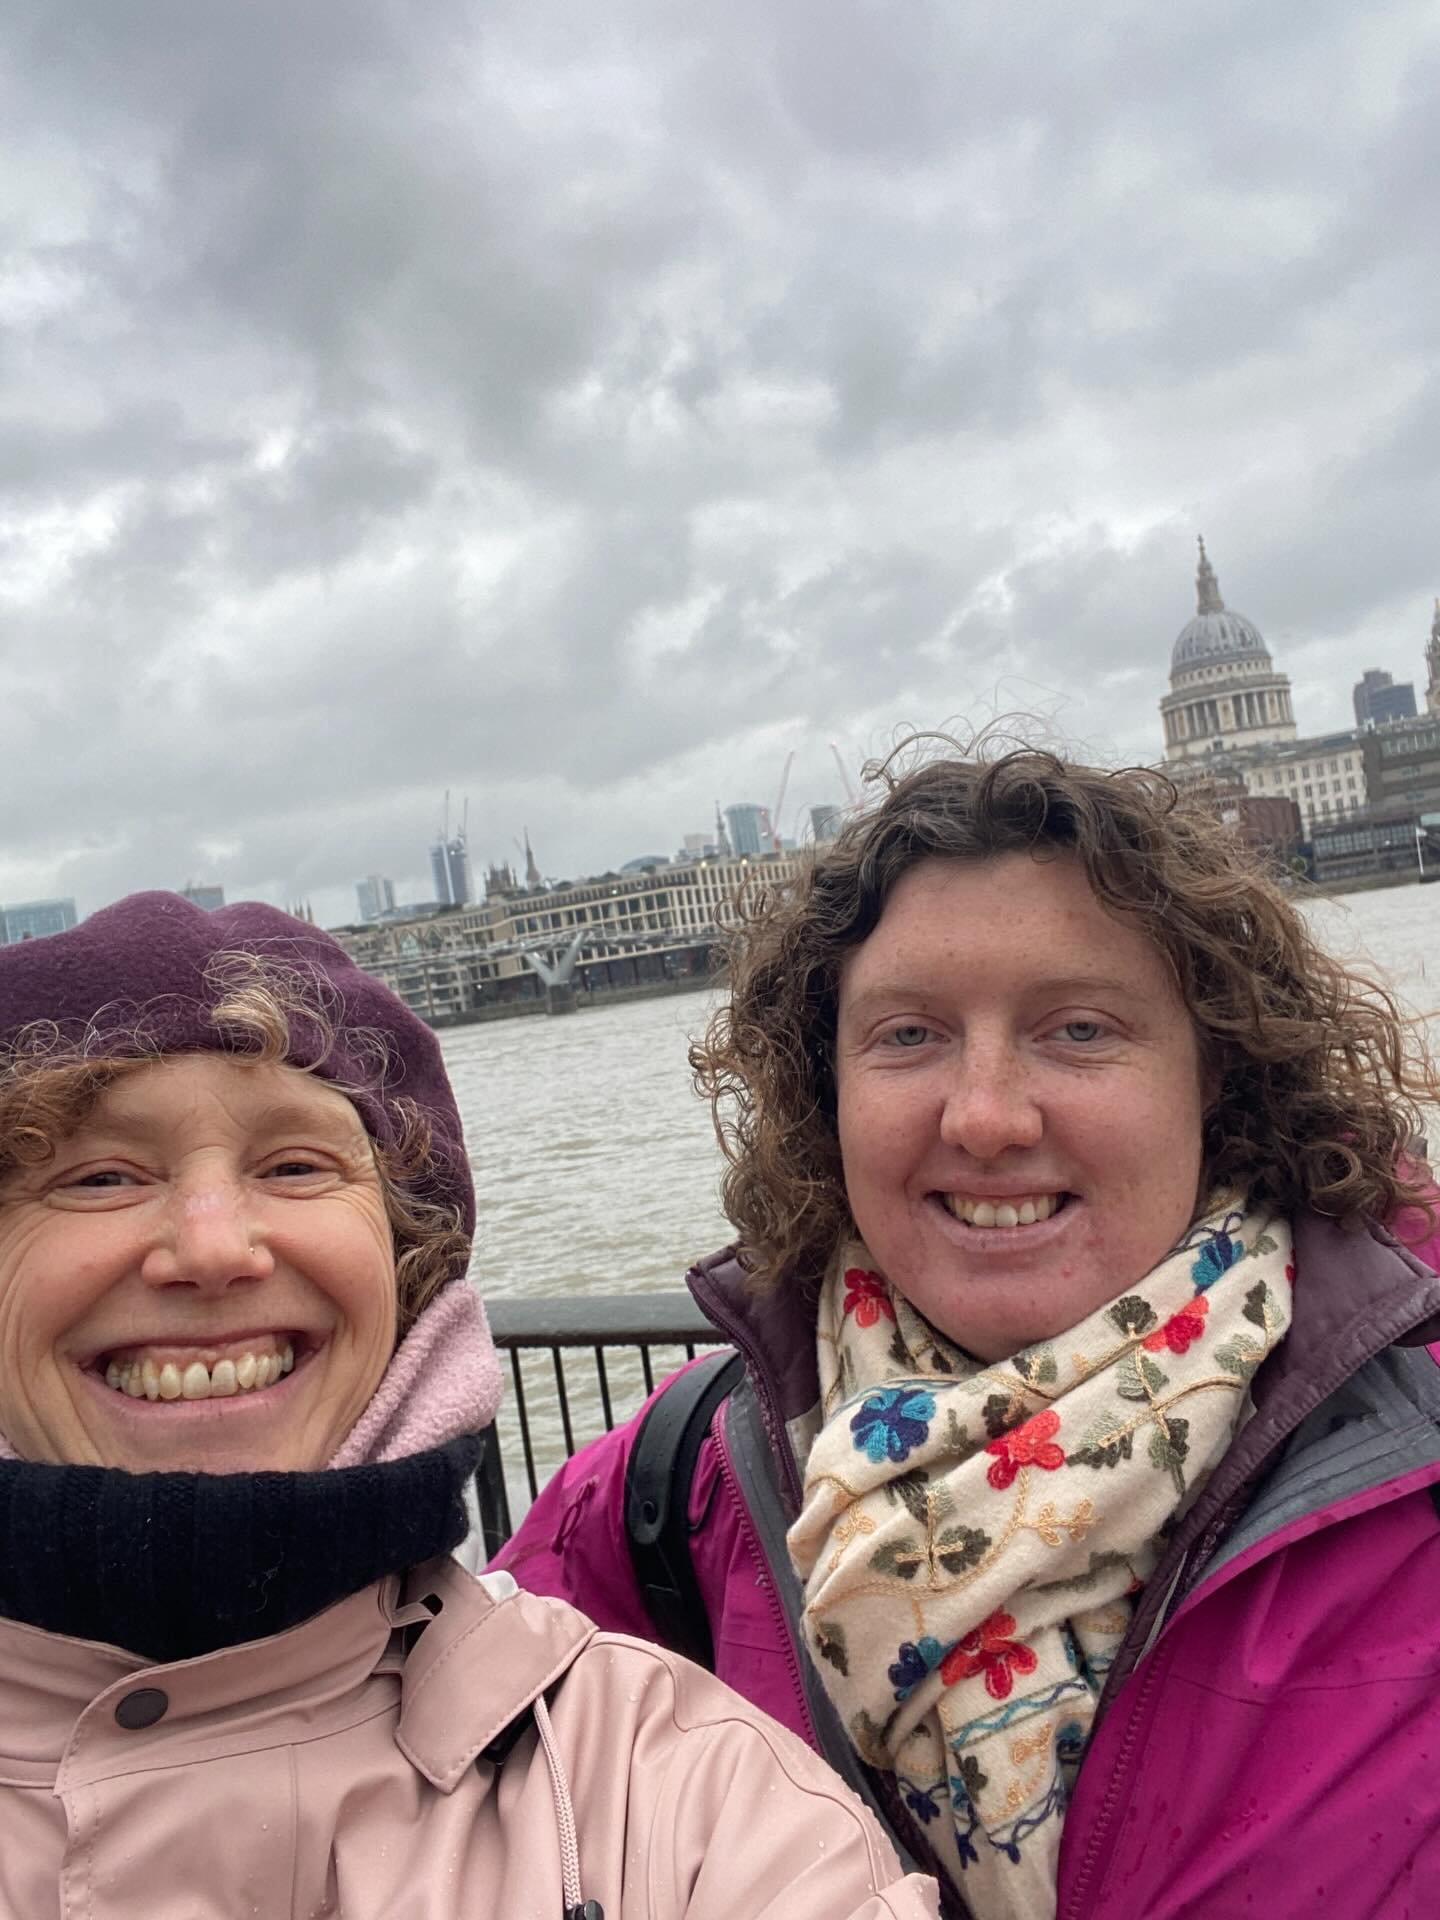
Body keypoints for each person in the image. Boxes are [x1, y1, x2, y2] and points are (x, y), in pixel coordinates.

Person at [494, 747, 1440, 1920]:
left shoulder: (1413, 1437)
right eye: (908, 1036)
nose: (986, 1116)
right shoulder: (673, 1489)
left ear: (1216, 1074)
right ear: (823, 1089)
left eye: (1080, 1030)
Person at [0, 891, 938, 1920]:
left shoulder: (679, 1803)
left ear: (409, 1272)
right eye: (97, 1177)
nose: (216, 1246)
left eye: (297, 1166)